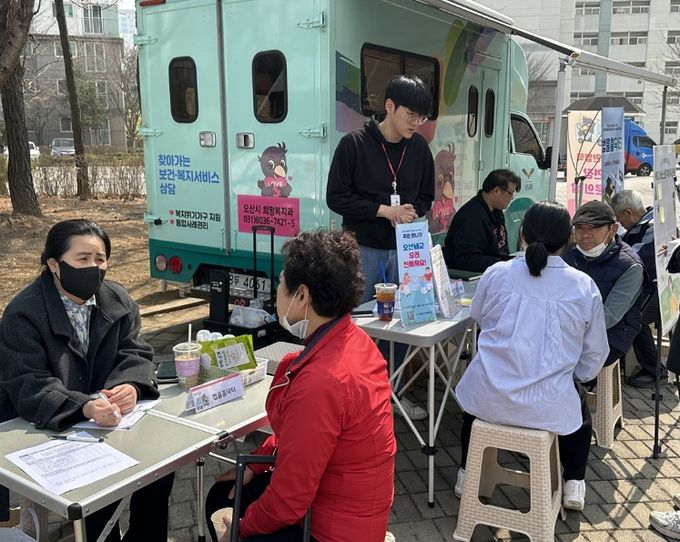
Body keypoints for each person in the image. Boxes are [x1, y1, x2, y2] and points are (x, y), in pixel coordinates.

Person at [205, 230, 396, 542]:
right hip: (350, 509)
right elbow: (308, 443)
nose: (278, 292)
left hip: (331, 530)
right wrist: (258, 461)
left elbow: (288, 502)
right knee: (224, 492)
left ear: (302, 296)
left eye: (282, 283)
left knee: (221, 505)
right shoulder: (355, 340)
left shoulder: (322, 381)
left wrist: (239, 529)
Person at [0, 219, 174, 542]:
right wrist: (85, 407)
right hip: (46, 427)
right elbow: (28, 383)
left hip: (110, 423)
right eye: (82, 259)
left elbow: (135, 351)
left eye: (100, 259)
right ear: (54, 264)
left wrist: (131, 385)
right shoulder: (23, 313)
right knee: (97, 497)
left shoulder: (117, 300)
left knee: (159, 468)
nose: (94, 267)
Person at [454, 201, 608, 511]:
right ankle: (574, 482)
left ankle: (466, 472)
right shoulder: (583, 286)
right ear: (568, 240)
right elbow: (595, 353)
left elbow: (478, 316)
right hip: (548, 405)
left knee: (473, 411)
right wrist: (573, 376)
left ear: (522, 234)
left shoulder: (497, 273)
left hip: (489, 396)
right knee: (578, 405)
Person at [326, 74, 435, 421]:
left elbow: (428, 196)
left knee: (402, 321)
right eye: (410, 114)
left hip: (405, 249)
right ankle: (352, 399)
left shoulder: (420, 149)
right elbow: (336, 197)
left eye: (421, 117)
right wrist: (383, 211)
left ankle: (391, 393)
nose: (416, 123)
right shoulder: (354, 144)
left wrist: (410, 211)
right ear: (389, 106)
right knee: (358, 321)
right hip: (363, 249)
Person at [562, 200, 644, 368]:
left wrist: (563, 326)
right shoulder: (570, 253)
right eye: (580, 228)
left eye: (593, 228)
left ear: (613, 229)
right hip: (569, 328)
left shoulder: (630, 266)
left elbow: (608, 317)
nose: (585, 234)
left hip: (611, 336)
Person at [610, 189, 667, 387]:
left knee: (634, 318)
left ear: (628, 212)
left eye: (619, 217)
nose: (619, 222)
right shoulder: (639, 225)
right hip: (648, 287)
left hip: (662, 290)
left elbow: (635, 258)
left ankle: (656, 371)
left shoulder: (653, 227)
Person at [442, 169, 519, 272]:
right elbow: (467, 259)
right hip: (470, 274)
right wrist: (502, 265)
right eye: (511, 193)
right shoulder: (472, 217)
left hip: (495, 269)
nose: (512, 198)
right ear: (496, 191)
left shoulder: (496, 211)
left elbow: (501, 249)